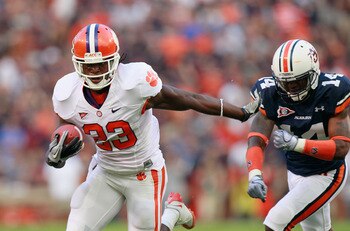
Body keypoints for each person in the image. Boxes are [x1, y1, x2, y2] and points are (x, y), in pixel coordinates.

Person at [45, 23, 260, 231]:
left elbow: (187, 99)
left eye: (101, 64)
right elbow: (64, 131)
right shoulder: (67, 93)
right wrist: (56, 155)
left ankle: (172, 212)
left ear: (115, 60)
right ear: (76, 64)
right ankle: (172, 212)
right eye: (88, 65)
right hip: (105, 171)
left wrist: (239, 113)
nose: (94, 71)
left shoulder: (134, 84)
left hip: (144, 173)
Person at [245, 39, 350, 231]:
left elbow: (342, 147)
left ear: (314, 72)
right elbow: (256, 139)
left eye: (298, 81)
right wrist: (255, 175)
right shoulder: (269, 93)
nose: (291, 88)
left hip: (328, 172)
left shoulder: (332, 90)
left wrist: (296, 144)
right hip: (295, 170)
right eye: (285, 82)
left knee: (275, 222)